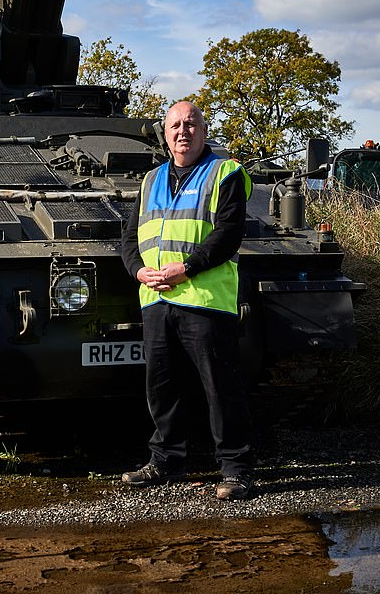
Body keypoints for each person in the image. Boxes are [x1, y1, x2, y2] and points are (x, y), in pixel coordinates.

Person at [121, 100, 254, 501]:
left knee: (220, 388)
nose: (183, 131)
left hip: (205, 299)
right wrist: (138, 271)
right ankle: (166, 462)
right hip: (157, 299)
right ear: (165, 134)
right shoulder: (151, 181)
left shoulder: (224, 172)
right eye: (175, 125)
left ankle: (235, 469)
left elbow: (228, 233)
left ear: (203, 130)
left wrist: (188, 268)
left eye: (191, 123)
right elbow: (129, 238)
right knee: (162, 387)